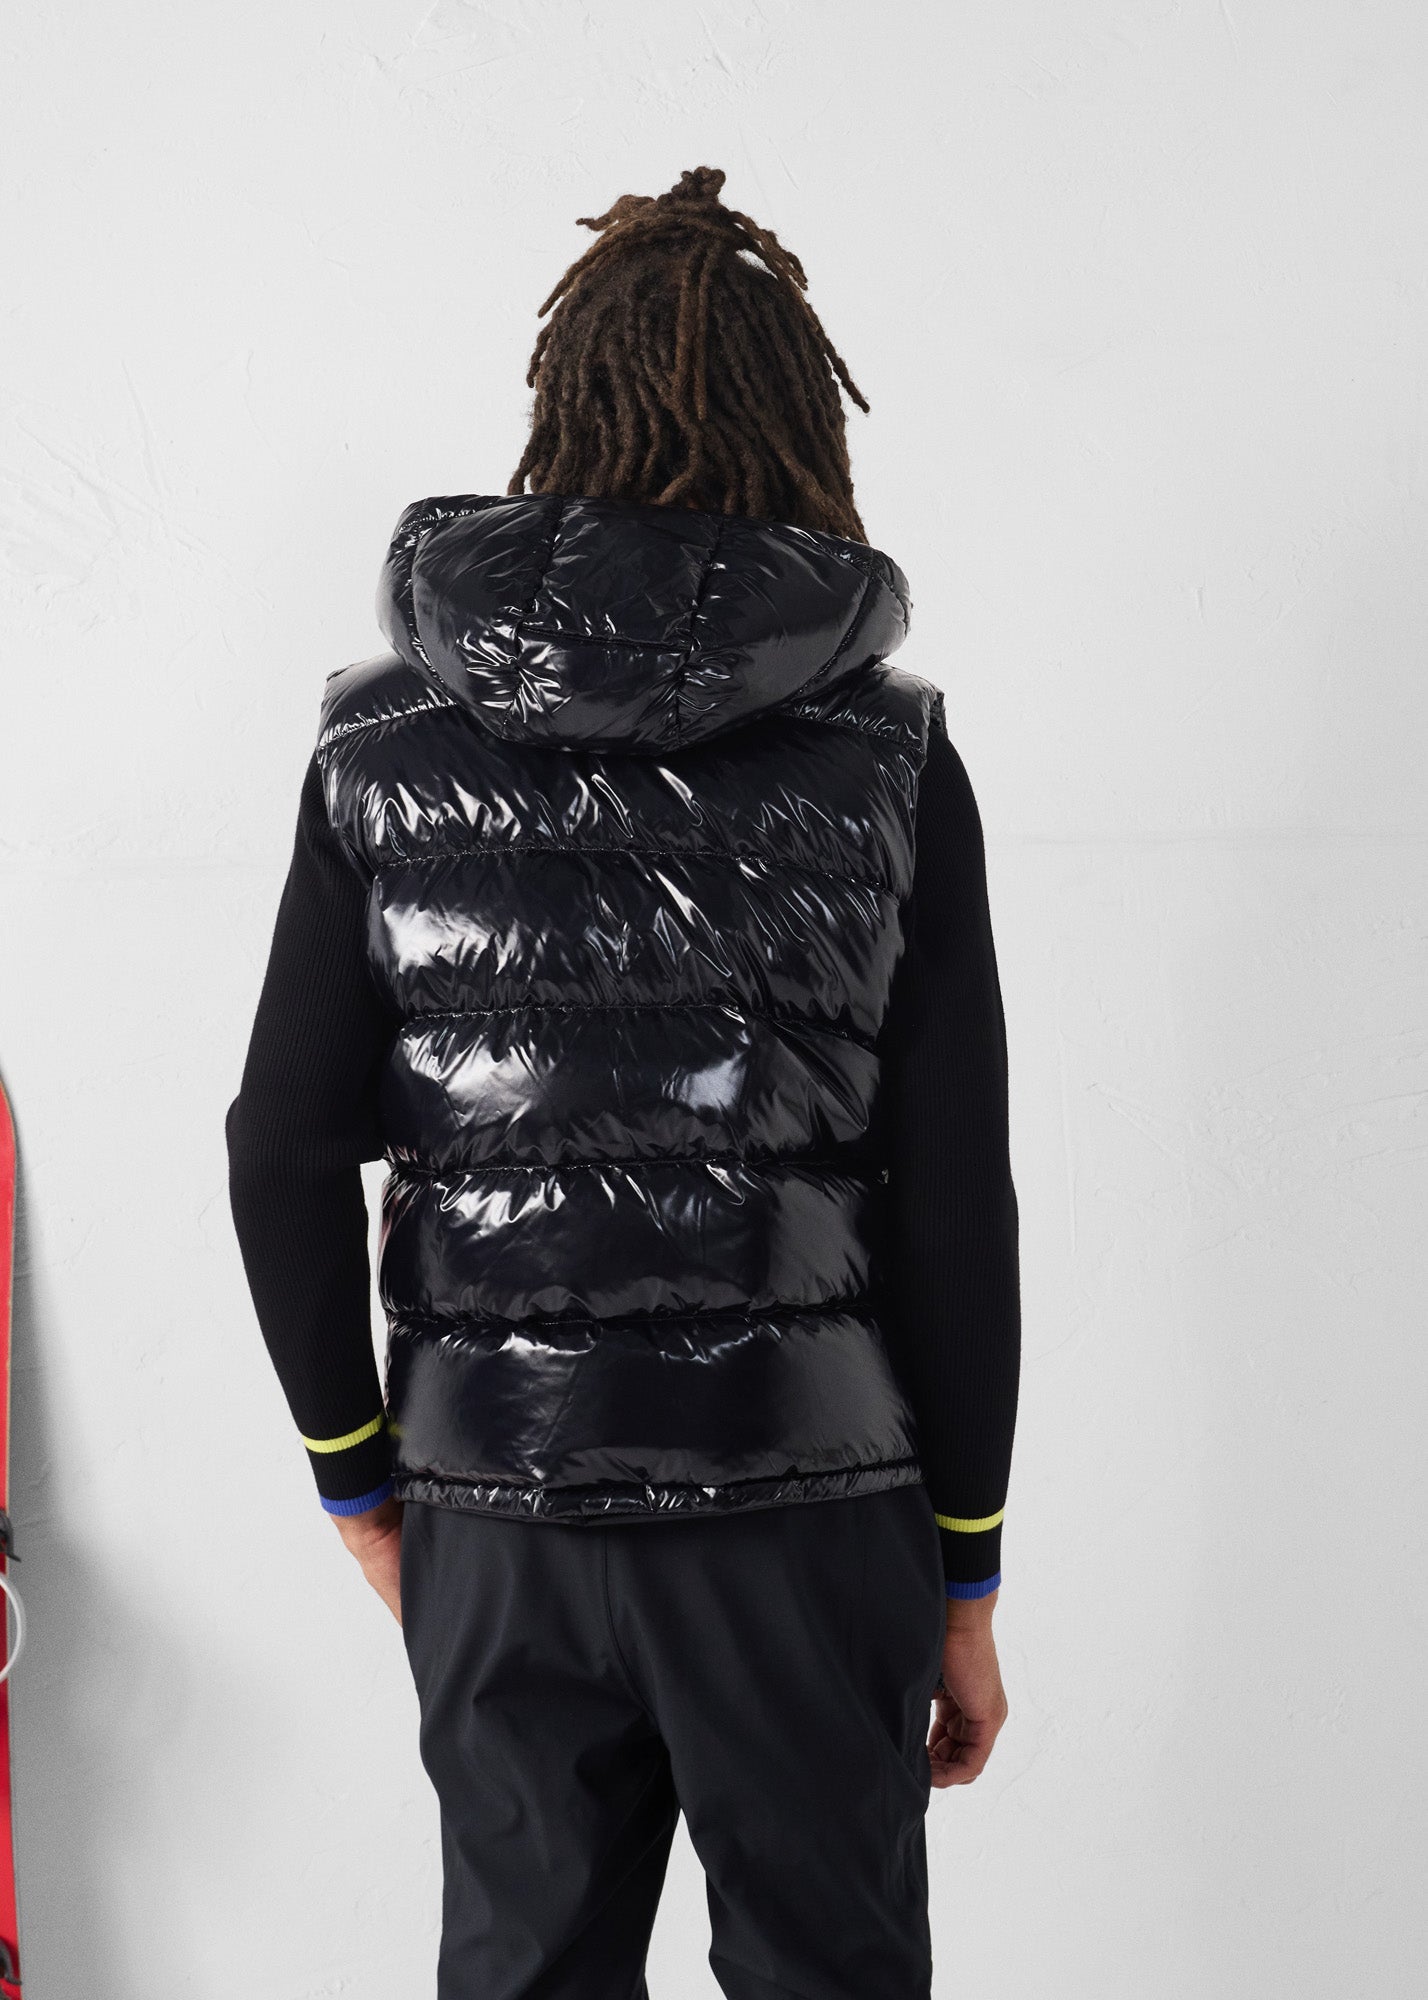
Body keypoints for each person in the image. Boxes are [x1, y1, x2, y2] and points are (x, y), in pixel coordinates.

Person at [226, 165, 1021, 2000]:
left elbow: (280, 1148)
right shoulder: (890, 756)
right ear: (804, 427)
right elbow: (953, 1198)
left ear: (561, 408)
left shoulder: (377, 744)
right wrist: (967, 1578)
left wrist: (362, 1484)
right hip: (807, 1507)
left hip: (492, 1509)